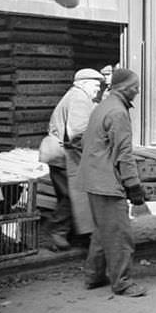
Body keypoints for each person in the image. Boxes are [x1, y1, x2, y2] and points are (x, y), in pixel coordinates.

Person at [80, 68, 147, 297]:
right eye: (136, 87)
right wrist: (134, 185)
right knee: (119, 235)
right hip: (107, 182)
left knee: (102, 232)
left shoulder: (103, 106)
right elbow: (124, 154)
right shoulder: (118, 112)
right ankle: (123, 283)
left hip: (93, 178)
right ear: (126, 88)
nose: (138, 91)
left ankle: (93, 276)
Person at [42, 68, 104, 251]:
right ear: (83, 83)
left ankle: (70, 235)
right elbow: (78, 134)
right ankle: (56, 232)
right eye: (95, 85)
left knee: (69, 195)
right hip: (63, 155)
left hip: (60, 153)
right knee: (72, 196)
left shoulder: (77, 96)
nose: (97, 89)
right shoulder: (79, 98)